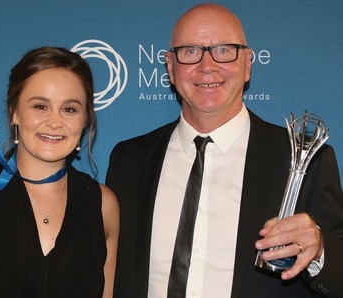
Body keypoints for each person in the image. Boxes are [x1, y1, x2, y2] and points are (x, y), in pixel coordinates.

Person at [106, 3, 343, 297]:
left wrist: (319, 250)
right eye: (191, 51)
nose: (207, 66)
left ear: (247, 64)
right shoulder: (129, 159)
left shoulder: (306, 160)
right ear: (170, 66)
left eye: (224, 50)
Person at [0, 47, 119, 297]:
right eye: (40, 106)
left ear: (85, 120)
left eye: (69, 109)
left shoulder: (103, 204)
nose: (55, 122)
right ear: (14, 112)